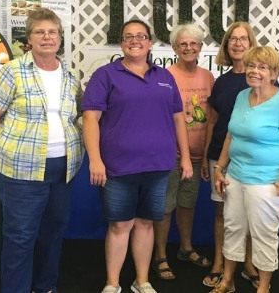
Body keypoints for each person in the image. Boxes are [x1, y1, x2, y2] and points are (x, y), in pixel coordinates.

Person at [83, 20, 192, 293]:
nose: (135, 40)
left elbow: (179, 119)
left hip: (158, 166)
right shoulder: (106, 75)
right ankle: (112, 283)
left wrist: (186, 158)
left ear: (150, 43)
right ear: (121, 43)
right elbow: (90, 118)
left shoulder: (165, 77)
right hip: (118, 168)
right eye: (128, 36)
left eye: (141, 36)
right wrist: (95, 159)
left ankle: (141, 280)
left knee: (145, 223)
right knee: (120, 225)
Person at [0, 9, 83, 293]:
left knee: (53, 233)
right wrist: (9, 145)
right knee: (20, 237)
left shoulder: (70, 77)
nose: (47, 37)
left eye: (52, 32)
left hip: (63, 168)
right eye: (39, 32)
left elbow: (74, 117)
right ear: (29, 38)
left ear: (60, 38)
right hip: (22, 170)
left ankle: (45, 287)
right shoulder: (11, 71)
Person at [212, 46, 279, 293]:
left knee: (263, 235)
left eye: (262, 67)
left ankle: (263, 287)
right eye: (251, 65)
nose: (254, 71)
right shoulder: (242, 96)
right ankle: (227, 281)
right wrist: (220, 168)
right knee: (232, 229)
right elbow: (230, 137)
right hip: (235, 177)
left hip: (268, 183)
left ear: (275, 73)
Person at [203, 22, 265, 288]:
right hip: (221, 157)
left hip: (251, 160)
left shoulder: (263, 79)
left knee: (250, 215)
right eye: (233, 39)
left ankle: (248, 263)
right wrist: (208, 157)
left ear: (251, 44)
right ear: (226, 45)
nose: (238, 43)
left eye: (244, 39)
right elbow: (212, 122)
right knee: (222, 213)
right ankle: (219, 260)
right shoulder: (222, 82)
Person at [151, 23, 215, 281]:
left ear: (200, 48)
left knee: (187, 204)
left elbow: (211, 118)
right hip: (172, 156)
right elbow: (157, 117)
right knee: (166, 207)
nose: (189, 48)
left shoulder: (208, 77)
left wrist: (208, 155)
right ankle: (160, 255)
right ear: (175, 48)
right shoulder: (164, 76)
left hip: (199, 156)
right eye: (183, 44)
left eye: (194, 43)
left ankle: (185, 248)